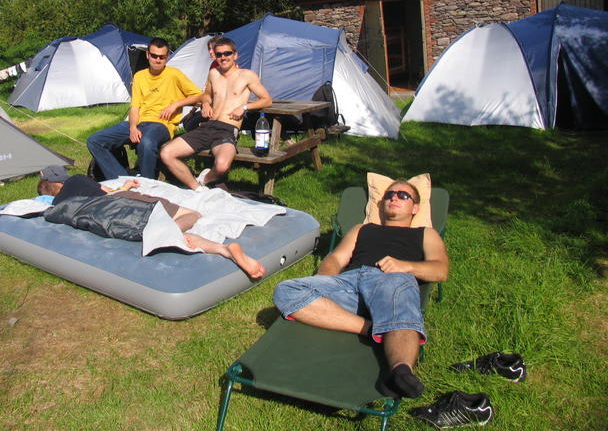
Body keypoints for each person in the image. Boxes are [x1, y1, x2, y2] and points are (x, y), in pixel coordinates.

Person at [272, 179, 449, 399]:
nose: (394, 198)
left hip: (392, 280)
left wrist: (405, 266)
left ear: (415, 208)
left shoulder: (425, 233)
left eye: (403, 196)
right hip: (350, 282)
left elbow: (440, 270)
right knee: (285, 290)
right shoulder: (363, 229)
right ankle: (373, 328)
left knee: (398, 287)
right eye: (389, 195)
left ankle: (400, 371)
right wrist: (324, 284)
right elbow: (336, 258)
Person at [37, 166, 265, 278]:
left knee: (164, 229)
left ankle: (222, 250)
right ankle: (212, 245)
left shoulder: (58, 206)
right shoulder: (77, 179)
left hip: (106, 216)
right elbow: (108, 192)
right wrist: (126, 187)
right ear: (60, 181)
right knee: (193, 214)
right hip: (124, 202)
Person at [160, 37, 272, 189]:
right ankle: (197, 189)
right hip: (207, 126)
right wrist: (206, 103)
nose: (223, 57)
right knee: (166, 153)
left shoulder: (247, 75)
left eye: (227, 53)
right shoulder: (213, 73)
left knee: (222, 166)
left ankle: (204, 179)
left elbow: (266, 100)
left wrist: (244, 107)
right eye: (219, 54)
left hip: (227, 129)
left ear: (235, 55)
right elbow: (206, 94)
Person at [87, 37, 203, 180]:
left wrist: (176, 104)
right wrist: (132, 127)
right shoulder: (140, 76)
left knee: (146, 142)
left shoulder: (174, 74)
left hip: (162, 125)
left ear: (167, 57)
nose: (158, 60)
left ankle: (148, 185)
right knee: (95, 140)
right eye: (154, 56)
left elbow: (200, 96)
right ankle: (122, 180)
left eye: (162, 57)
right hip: (139, 122)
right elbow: (135, 107)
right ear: (147, 55)